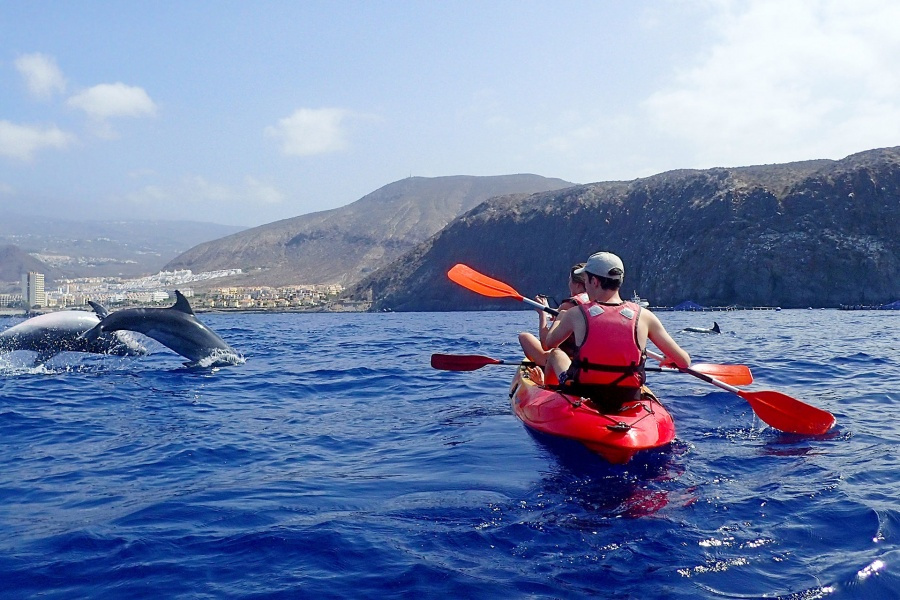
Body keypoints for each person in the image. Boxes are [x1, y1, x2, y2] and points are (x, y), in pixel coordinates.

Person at [541, 251, 691, 409]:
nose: (585, 286)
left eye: (586, 280)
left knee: (556, 354)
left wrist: (559, 318)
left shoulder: (575, 314)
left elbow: (550, 343)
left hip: (583, 391)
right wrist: (669, 358)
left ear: (595, 281)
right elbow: (684, 362)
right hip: (627, 395)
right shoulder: (645, 316)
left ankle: (550, 398)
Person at [517, 263, 588, 369]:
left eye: (570, 280)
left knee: (524, 337)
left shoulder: (569, 305)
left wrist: (542, 314)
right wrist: (549, 309)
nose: (569, 284)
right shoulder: (598, 301)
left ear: (577, 285)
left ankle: (543, 368)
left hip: (566, 362)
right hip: (587, 360)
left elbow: (546, 344)